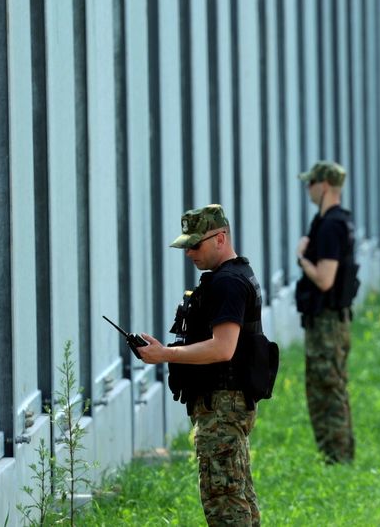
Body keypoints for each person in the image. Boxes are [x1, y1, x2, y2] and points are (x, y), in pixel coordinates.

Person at [139, 204, 263, 526]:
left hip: (222, 405)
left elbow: (223, 349)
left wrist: (164, 354)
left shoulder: (228, 284)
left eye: (196, 245)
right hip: (224, 403)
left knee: (224, 502)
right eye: (186, 245)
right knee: (236, 496)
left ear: (220, 238)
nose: (189, 253)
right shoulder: (231, 276)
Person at [294, 161, 357, 464]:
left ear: (326, 186)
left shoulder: (331, 225)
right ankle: (335, 457)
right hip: (324, 322)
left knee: (329, 391)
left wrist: (301, 257)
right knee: (323, 390)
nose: (308, 188)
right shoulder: (326, 222)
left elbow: (324, 279)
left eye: (311, 183)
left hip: (328, 325)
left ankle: (338, 459)